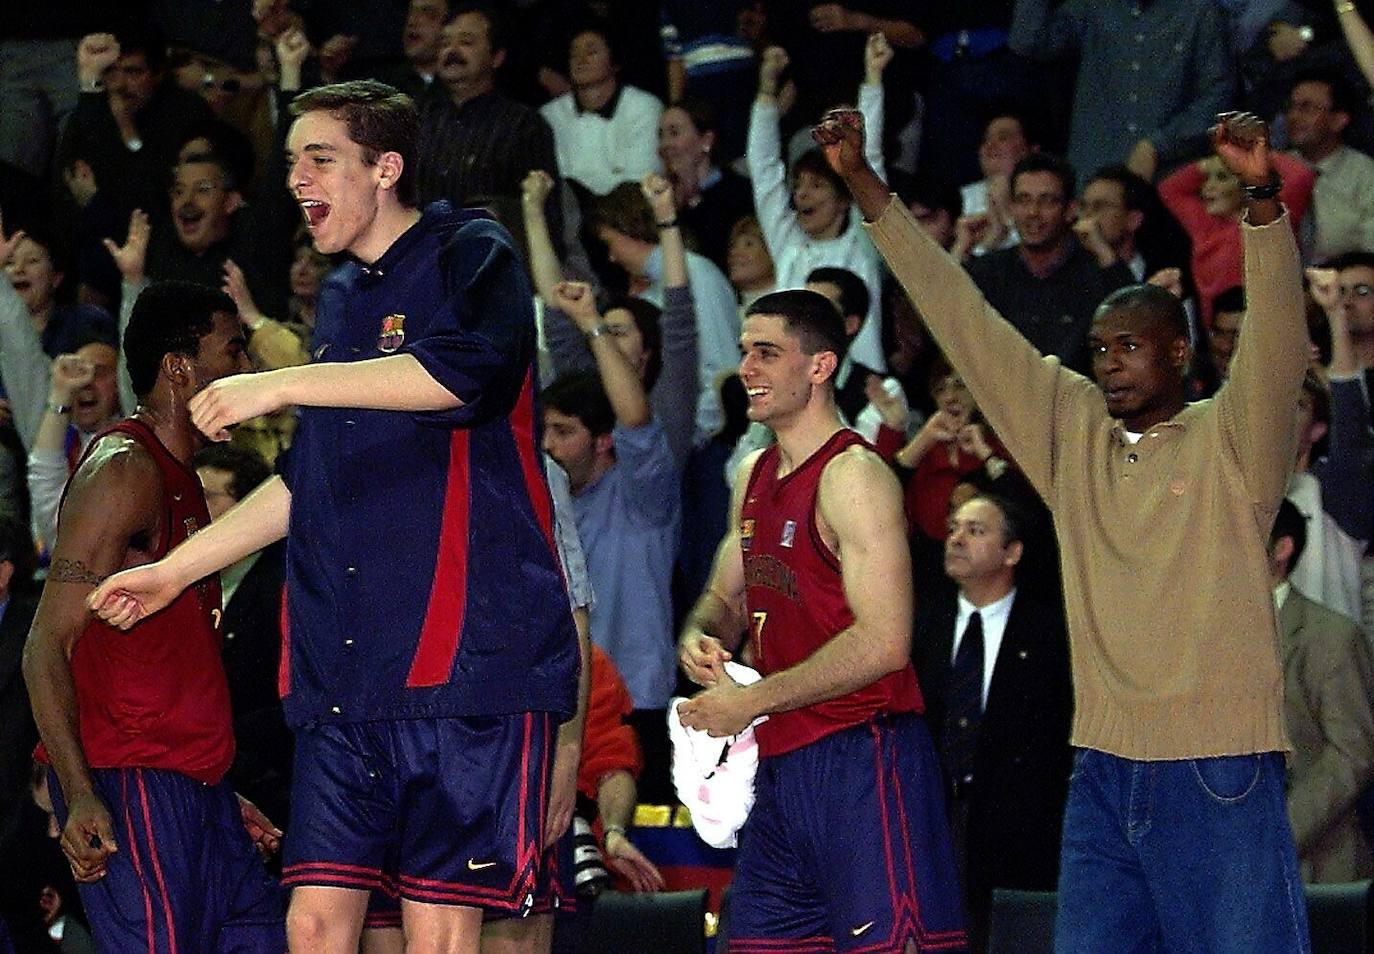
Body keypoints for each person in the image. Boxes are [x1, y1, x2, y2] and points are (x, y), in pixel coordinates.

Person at [86, 80, 579, 952]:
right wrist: (174, 571)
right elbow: (308, 473)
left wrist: (277, 380)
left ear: (386, 168)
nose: (299, 179)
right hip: (345, 672)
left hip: (459, 665)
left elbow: (466, 375)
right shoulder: (347, 300)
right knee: (312, 924)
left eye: (321, 158)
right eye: (290, 162)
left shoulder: (473, 246)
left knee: (439, 932)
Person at [819, 104, 1313, 950]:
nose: (1110, 362)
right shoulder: (1071, 430)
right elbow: (965, 319)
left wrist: (1263, 198)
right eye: (1099, 349)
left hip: (1219, 767)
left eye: (1131, 346)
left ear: (1182, 354)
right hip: (1100, 772)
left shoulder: (1237, 437)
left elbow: (1277, 340)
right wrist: (865, 186)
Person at [677, 288, 966, 952]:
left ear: (820, 366)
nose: (746, 367)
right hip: (785, 766)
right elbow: (722, 597)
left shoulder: (854, 477)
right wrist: (699, 636)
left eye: (767, 353)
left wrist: (750, 701)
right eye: (746, 350)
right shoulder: (751, 473)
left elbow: (885, 641)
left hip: (865, 753)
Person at [21, 280, 284, 952]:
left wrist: (214, 792)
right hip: (136, 788)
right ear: (179, 367)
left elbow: (168, 663)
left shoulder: (184, 474)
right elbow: (44, 644)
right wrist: (78, 791)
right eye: (233, 350)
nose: (247, 370)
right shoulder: (124, 468)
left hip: (196, 793)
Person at [915, 494, 1072, 951]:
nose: (956, 539)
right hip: (933, 826)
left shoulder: (1050, 635)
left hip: (1018, 839)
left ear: (1012, 552)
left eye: (976, 531)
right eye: (953, 528)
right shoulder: (924, 623)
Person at [1268, 498, 1374, 883]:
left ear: (1282, 549)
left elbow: (1353, 751)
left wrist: (1276, 834)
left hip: (1315, 866)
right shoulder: (1206, 639)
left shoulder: (1331, 637)